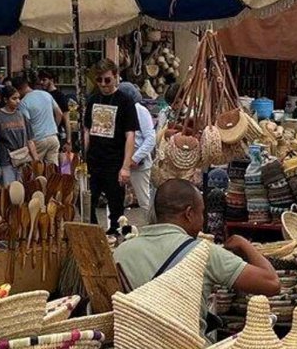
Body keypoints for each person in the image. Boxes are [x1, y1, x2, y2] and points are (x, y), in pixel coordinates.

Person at [114, 178, 280, 309]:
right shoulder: (203, 252)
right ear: (189, 214)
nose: (203, 221)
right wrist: (244, 244)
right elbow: (272, 284)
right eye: (201, 213)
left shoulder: (121, 252)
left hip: (132, 348)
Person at [83, 60, 139, 233]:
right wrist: (83, 156)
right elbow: (87, 129)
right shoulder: (93, 99)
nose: (103, 84)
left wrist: (125, 166)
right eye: (99, 80)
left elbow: (130, 134)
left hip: (114, 161)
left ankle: (115, 234)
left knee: (116, 207)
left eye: (107, 80)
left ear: (115, 77)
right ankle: (94, 232)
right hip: (94, 160)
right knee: (85, 201)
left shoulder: (125, 101)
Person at [119, 81, 156, 225]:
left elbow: (150, 138)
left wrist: (135, 158)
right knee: (115, 198)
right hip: (122, 161)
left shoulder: (140, 110)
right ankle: (115, 229)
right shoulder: (121, 108)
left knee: (144, 200)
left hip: (139, 164)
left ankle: (153, 228)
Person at [14, 72, 64, 165]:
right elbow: (59, 114)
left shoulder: (23, 103)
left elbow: (26, 124)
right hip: (53, 137)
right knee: (52, 171)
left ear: (18, 89)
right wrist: (54, 127)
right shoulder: (46, 94)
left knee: (36, 170)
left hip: (38, 139)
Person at [0, 84, 37, 185]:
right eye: (14, 98)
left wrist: (35, 158)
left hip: (23, 158)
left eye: (19, 98)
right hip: (6, 159)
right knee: (9, 188)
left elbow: (30, 139)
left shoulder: (21, 115)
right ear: (5, 100)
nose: (18, 101)